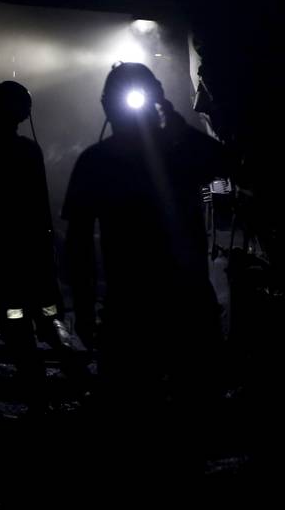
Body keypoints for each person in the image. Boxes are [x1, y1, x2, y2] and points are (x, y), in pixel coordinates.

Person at [62, 62, 230, 476]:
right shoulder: (178, 155)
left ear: (106, 106)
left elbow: (79, 246)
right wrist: (172, 121)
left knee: (138, 426)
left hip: (136, 313)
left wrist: (84, 312)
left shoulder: (96, 161)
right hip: (176, 307)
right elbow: (79, 244)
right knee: (180, 421)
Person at [0, 77, 70, 409]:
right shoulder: (31, 150)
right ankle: (70, 367)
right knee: (47, 312)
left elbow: (1, 205)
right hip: (37, 250)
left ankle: (35, 387)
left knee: (14, 317)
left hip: (11, 251)